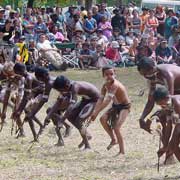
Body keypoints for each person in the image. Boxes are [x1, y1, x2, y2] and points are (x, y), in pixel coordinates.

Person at [137, 57, 180, 162]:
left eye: (147, 73)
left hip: (175, 97)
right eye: (143, 75)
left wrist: (152, 117)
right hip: (173, 97)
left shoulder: (167, 74)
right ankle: (169, 152)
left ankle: (169, 149)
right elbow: (151, 100)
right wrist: (142, 117)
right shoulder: (151, 78)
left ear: (153, 68)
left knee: (171, 120)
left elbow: (169, 101)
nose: (146, 77)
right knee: (162, 118)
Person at [44, 75, 100, 149]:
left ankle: (87, 146)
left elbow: (71, 106)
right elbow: (58, 102)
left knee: (79, 121)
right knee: (70, 116)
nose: (61, 92)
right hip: (85, 100)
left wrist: (62, 120)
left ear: (66, 86)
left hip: (94, 100)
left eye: (62, 90)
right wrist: (48, 116)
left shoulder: (74, 87)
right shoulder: (66, 87)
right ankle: (86, 135)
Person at [90, 66, 131, 155]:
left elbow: (107, 101)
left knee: (116, 127)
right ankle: (113, 139)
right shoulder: (104, 86)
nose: (109, 76)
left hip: (125, 107)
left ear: (115, 75)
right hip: (115, 106)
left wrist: (96, 112)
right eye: (107, 74)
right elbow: (100, 99)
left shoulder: (115, 85)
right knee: (102, 119)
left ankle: (122, 151)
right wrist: (94, 112)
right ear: (103, 75)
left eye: (111, 74)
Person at [34, 67, 72, 145]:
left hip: (69, 98)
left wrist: (33, 112)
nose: (40, 81)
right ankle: (61, 137)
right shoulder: (50, 80)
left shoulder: (49, 83)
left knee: (50, 111)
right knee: (51, 113)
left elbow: (44, 99)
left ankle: (65, 131)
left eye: (39, 79)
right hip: (64, 97)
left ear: (42, 77)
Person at [13, 63, 44, 142]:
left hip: (41, 94)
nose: (16, 74)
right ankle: (40, 128)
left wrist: (19, 110)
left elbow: (26, 97)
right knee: (28, 111)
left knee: (28, 111)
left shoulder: (29, 78)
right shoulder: (25, 77)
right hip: (35, 93)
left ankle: (36, 137)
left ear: (19, 71)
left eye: (16, 72)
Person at [153, 87, 180, 163]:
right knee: (174, 147)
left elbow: (178, 129)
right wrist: (165, 146)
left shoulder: (177, 104)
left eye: (161, 103)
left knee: (173, 145)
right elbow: (169, 125)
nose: (162, 106)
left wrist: (167, 147)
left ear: (166, 98)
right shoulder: (168, 105)